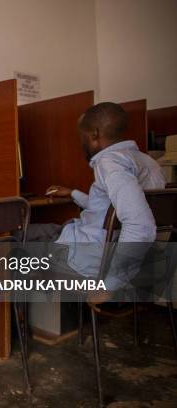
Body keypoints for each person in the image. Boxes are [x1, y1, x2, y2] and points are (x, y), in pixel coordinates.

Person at [29, 102, 166, 301]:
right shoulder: (148, 162)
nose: (81, 143)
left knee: (12, 242)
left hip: (85, 257)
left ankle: (15, 326)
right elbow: (108, 212)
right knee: (38, 230)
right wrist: (73, 193)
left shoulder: (109, 162)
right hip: (94, 242)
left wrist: (109, 286)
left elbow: (141, 225)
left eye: (82, 137)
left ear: (94, 135)